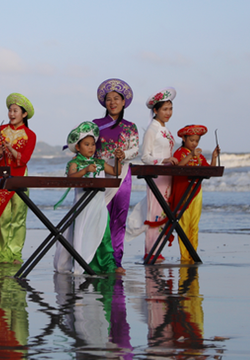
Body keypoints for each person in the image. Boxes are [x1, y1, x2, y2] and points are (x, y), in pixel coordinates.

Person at [54, 121, 123, 274]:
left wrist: (118, 159)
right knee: (84, 234)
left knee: (103, 235)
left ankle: (108, 265)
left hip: (98, 206)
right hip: (83, 207)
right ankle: (84, 265)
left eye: (93, 144)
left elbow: (115, 171)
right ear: (77, 147)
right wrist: (85, 170)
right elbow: (71, 178)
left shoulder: (99, 162)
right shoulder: (74, 163)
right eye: (86, 144)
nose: (91, 147)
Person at [93, 78, 139, 273]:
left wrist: (125, 155)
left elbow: (136, 149)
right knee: (98, 217)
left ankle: (116, 261)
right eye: (109, 99)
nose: (112, 102)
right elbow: (88, 148)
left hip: (122, 176)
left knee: (119, 219)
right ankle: (96, 259)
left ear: (123, 102)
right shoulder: (95, 125)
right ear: (104, 103)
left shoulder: (130, 126)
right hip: (100, 175)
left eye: (116, 98)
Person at [126, 87, 177, 263]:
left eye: (170, 108)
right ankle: (150, 251)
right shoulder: (152, 130)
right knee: (154, 212)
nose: (168, 112)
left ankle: (158, 249)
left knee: (164, 212)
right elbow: (145, 157)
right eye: (164, 109)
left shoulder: (165, 129)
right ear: (155, 110)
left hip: (168, 176)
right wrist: (164, 161)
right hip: (157, 176)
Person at [0, 93, 36, 263]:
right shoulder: (0, 131)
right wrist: (0, 152)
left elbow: (24, 158)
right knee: (0, 214)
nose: (12, 114)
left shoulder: (30, 134)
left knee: (18, 215)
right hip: (0, 176)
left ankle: (15, 253)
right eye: (10, 110)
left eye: (16, 111)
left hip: (20, 175)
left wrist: (11, 149)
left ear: (24, 114)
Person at [170, 124, 220, 264]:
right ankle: (185, 257)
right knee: (184, 224)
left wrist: (214, 157)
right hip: (183, 192)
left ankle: (193, 253)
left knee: (194, 225)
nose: (194, 143)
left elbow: (209, 171)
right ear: (184, 138)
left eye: (196, 141)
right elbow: (179, 167)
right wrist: (191, 155)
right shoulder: (180, 152)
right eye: (191, 140)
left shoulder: (199, 156)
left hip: (196, 192)